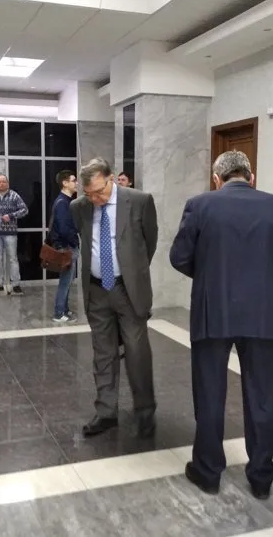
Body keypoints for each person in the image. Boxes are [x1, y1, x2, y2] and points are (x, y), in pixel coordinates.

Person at [170, 151, 273, 498]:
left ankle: (208, 471)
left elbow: (179, 257)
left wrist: (211, 273)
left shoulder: (200, 205)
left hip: (213, 311)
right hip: (262, 312)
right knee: (262, 397)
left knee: (209, 394)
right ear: (251, 176)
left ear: (217, 178)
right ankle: (261, 477)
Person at [70, 158, 158, 438]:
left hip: (127, 290)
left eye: (99, 192)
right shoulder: (79, 207)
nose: (95, 199)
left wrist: (131, 273)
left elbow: (149, 243)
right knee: (103, 353)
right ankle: (106, 412)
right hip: (97, 290)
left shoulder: (140, 201)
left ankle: (144, 411)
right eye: (89, 194)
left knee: (136, 352)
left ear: (110, 178)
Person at [0, 175, 29, 295]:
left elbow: (25, 210)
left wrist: (11, 216)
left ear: (8, 183)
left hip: (10, 234)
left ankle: (16, 285)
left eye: (4, 181)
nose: (2, 184)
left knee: (13, 259)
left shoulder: (14, 196)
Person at [51, 171, 79, 323]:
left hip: (66, 246)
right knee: (65, 281)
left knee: (67, 281)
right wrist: (74, 242)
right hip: (66, 247)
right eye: (74, 180)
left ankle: (65, 310)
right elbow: (63, 229)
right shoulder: (62, 202)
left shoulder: (65, 201)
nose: (77, 183)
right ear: (65, 183)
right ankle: (59, 313)